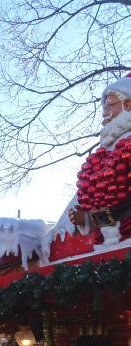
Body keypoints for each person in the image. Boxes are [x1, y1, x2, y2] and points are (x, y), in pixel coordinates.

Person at [68, 73, 131, 242]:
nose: (105, 114)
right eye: (104, 109)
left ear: (128, 104)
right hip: (106, 244)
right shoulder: (104, 153)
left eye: (110, 106)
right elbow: (104, 197)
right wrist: (85, 219)